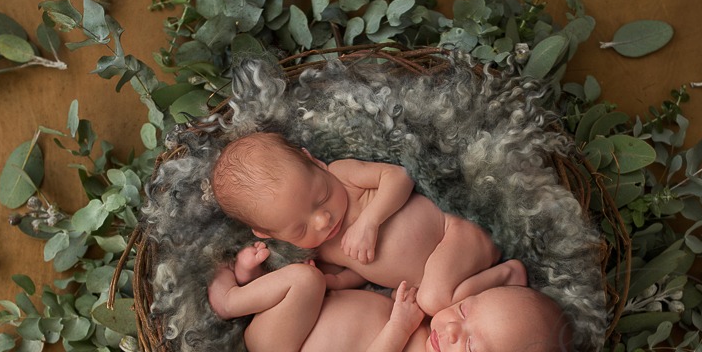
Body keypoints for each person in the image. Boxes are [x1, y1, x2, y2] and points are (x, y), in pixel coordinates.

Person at [207, 243, 571, 352]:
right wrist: (509, 276)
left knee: (305, 281)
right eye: (462, 311)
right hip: (302, 315)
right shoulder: (440, 329)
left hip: (287, 346)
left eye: (473, 348)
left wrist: (399, 326)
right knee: (313, 280)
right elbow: (478, 298)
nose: (452, 329)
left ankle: (230, 302)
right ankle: (253, 283)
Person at [210, 132, 523, 314]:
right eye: (300, 229)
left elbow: (398, 177)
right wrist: (336, 283)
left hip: (452, 236)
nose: (321, 220)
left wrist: (369, 221)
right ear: (269, 234)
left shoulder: (343, 175)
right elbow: (358, 272)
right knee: (438, 311)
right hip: (439, 276)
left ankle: (509, 273)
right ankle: (491, 290)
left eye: (320, 198)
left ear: (314, 162)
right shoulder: (318, 250)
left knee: (433, 301)